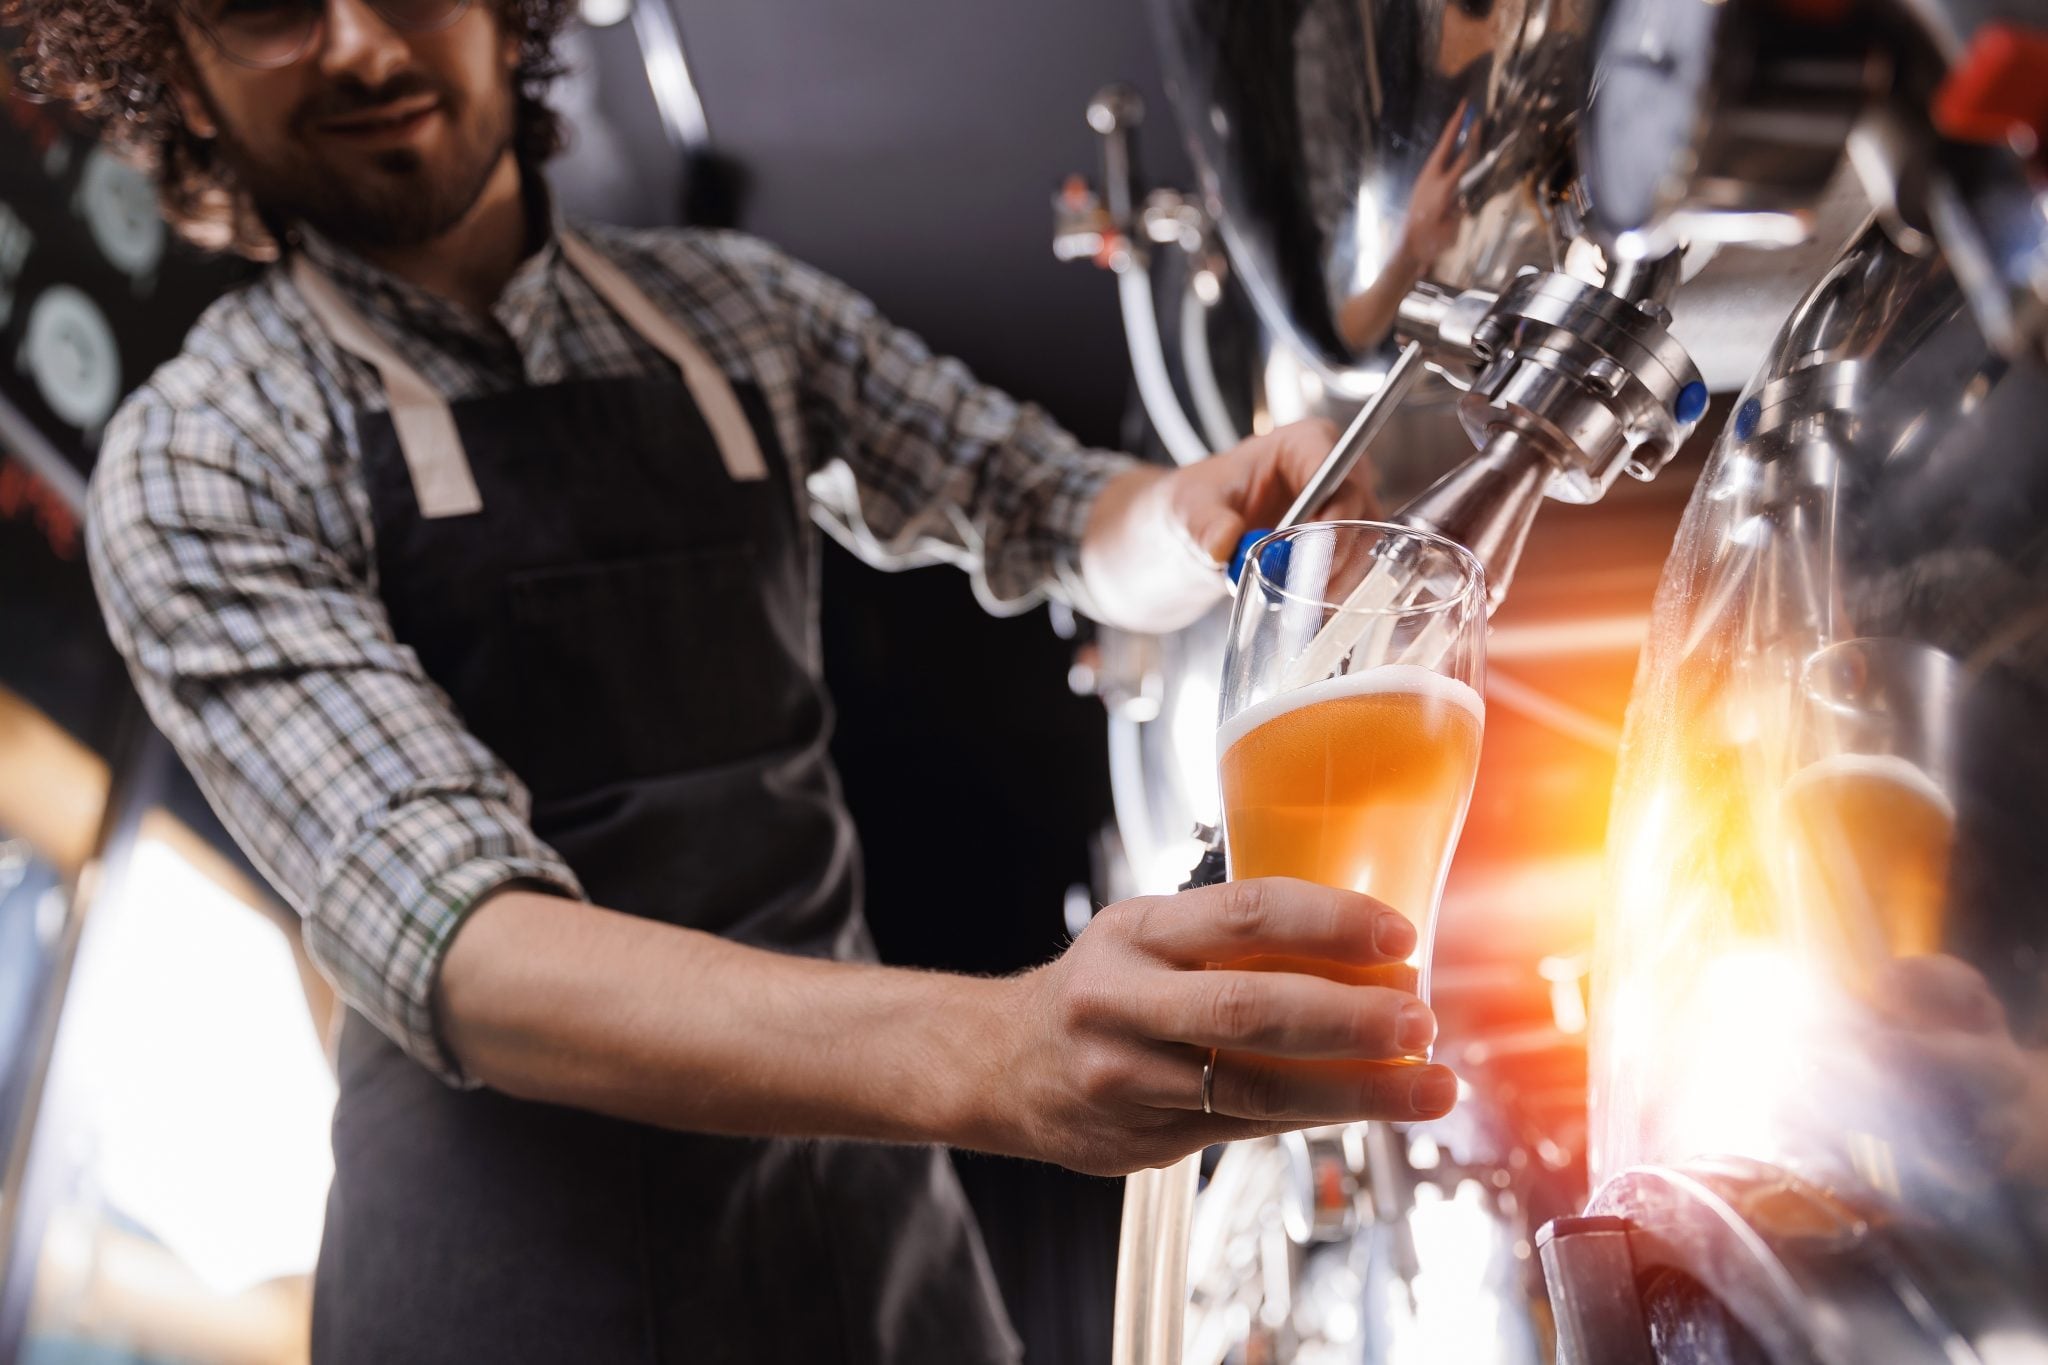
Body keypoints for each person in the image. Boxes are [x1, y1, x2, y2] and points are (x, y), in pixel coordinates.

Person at [8, 0, 1459, 1358]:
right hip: (510, 1293)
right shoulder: (206, 451)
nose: (362, 43)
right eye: (263, 2)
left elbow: (1053, 512)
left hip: (871, 1241)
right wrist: (1007, 1049)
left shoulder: (733, 314)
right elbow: (476, 952)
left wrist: (1193, 514)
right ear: (170, 63)